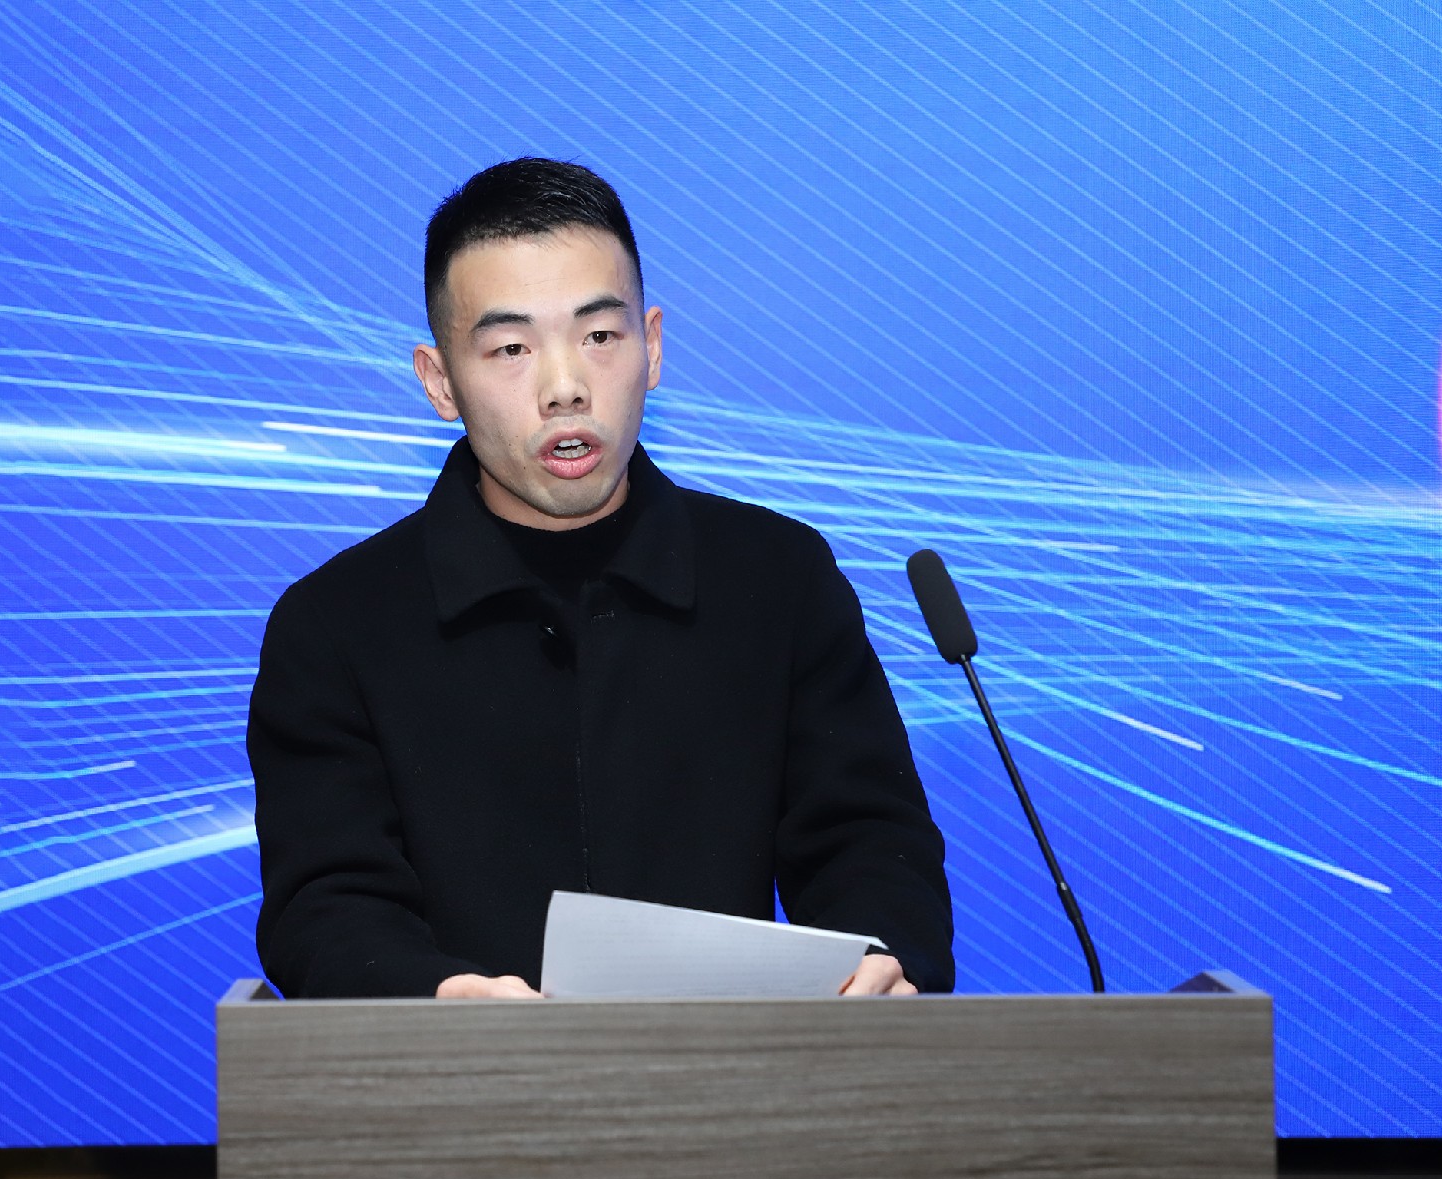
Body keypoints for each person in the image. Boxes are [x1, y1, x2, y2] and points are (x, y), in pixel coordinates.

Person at [249, 157, 953, 1003]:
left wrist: (881, 960)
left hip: (742, 1076)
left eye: (599, 337)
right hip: (459, 1077)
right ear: (440, 381)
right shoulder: (336, 626)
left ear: (652, 346)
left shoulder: (779, 580)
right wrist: (435, 998)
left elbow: (869, 843)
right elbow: (326, 904)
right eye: (512, 348)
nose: (565, 388)